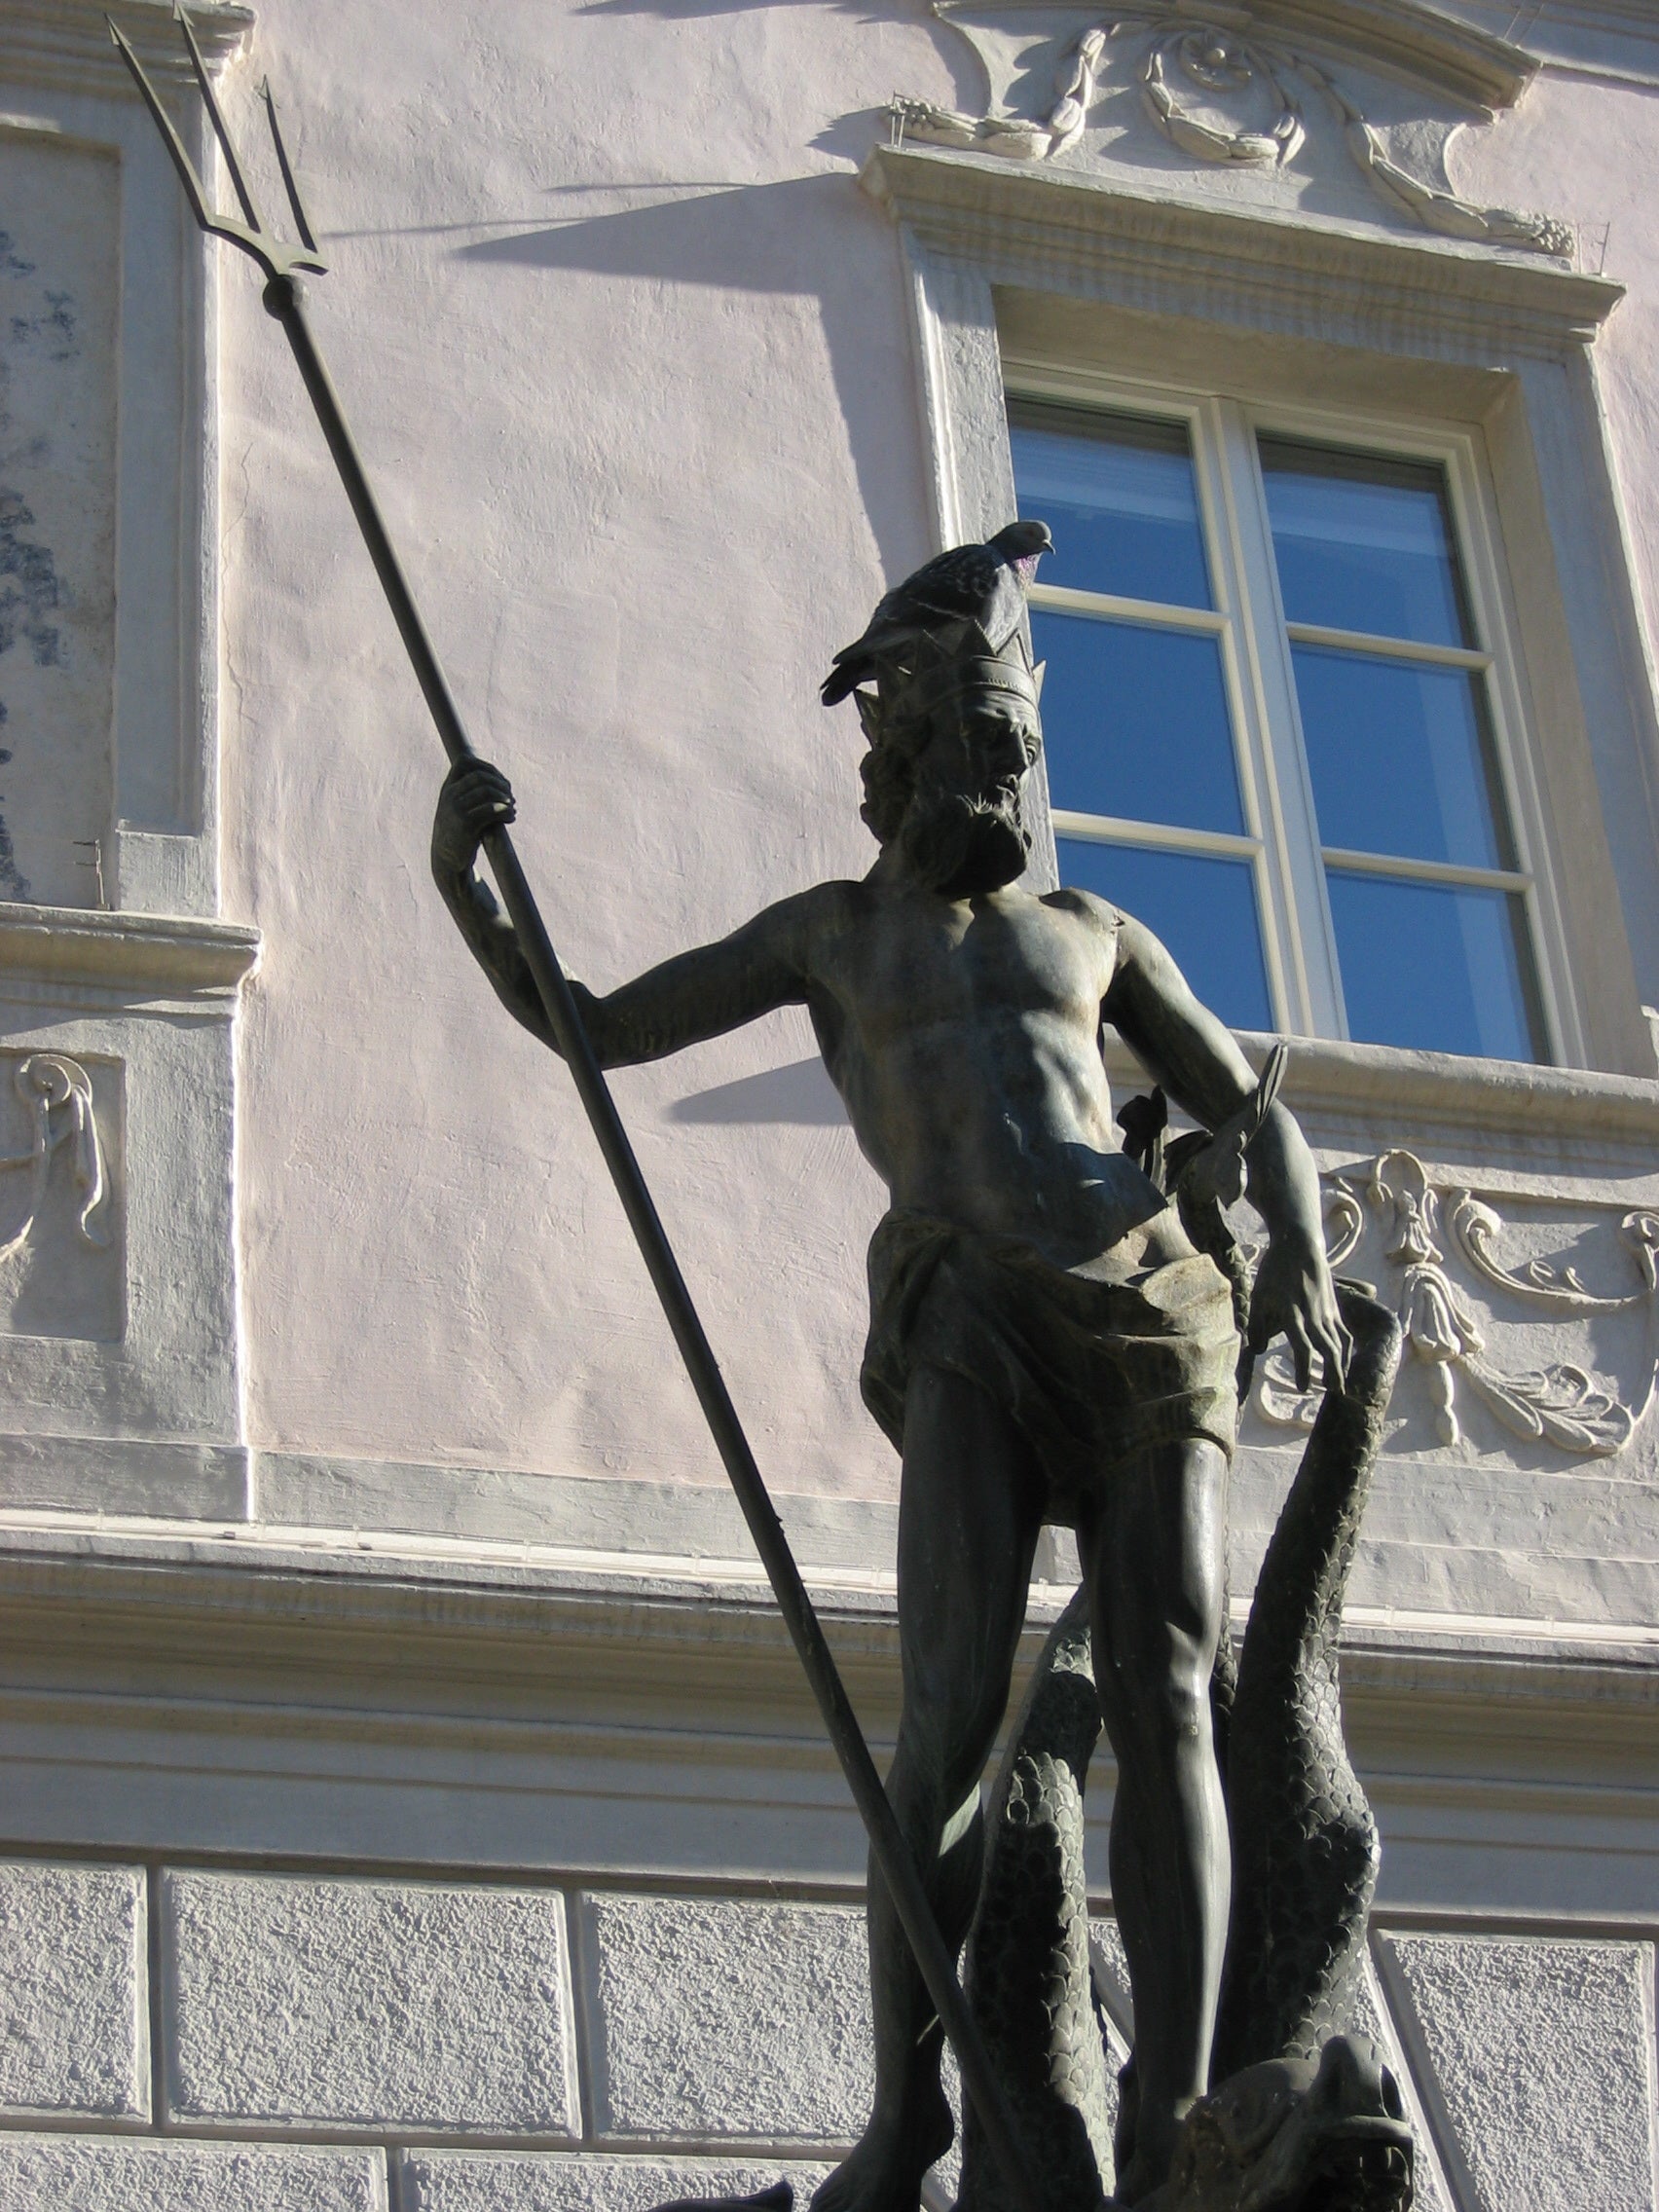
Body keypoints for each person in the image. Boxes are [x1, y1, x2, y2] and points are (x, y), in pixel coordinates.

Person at [429, 529, 1349, 2207]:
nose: (1003, 776)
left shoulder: (1091, 929)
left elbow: (1251, 1107)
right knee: (940, 1725)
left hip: (1150, 1296)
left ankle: (1178, 2116)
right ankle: (905, 2111)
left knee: (1165, 1692)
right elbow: (596, 1027)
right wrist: (466, 889)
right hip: (970, 1308)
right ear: (900, 750)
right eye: (974, 745)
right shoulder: (833, 937)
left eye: (1018, 749)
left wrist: (1298, 1246)